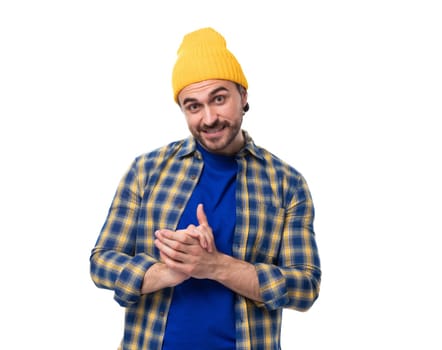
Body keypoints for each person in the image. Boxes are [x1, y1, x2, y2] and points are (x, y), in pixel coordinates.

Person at [90, 27, 321, 350]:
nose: (209, 117)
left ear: (243, 96)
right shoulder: (146, 170)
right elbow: (101, 262)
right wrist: (168, 271)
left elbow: (305, 286)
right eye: (193, 106)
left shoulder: (287, 183)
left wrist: (215, 266)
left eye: (219, 98)